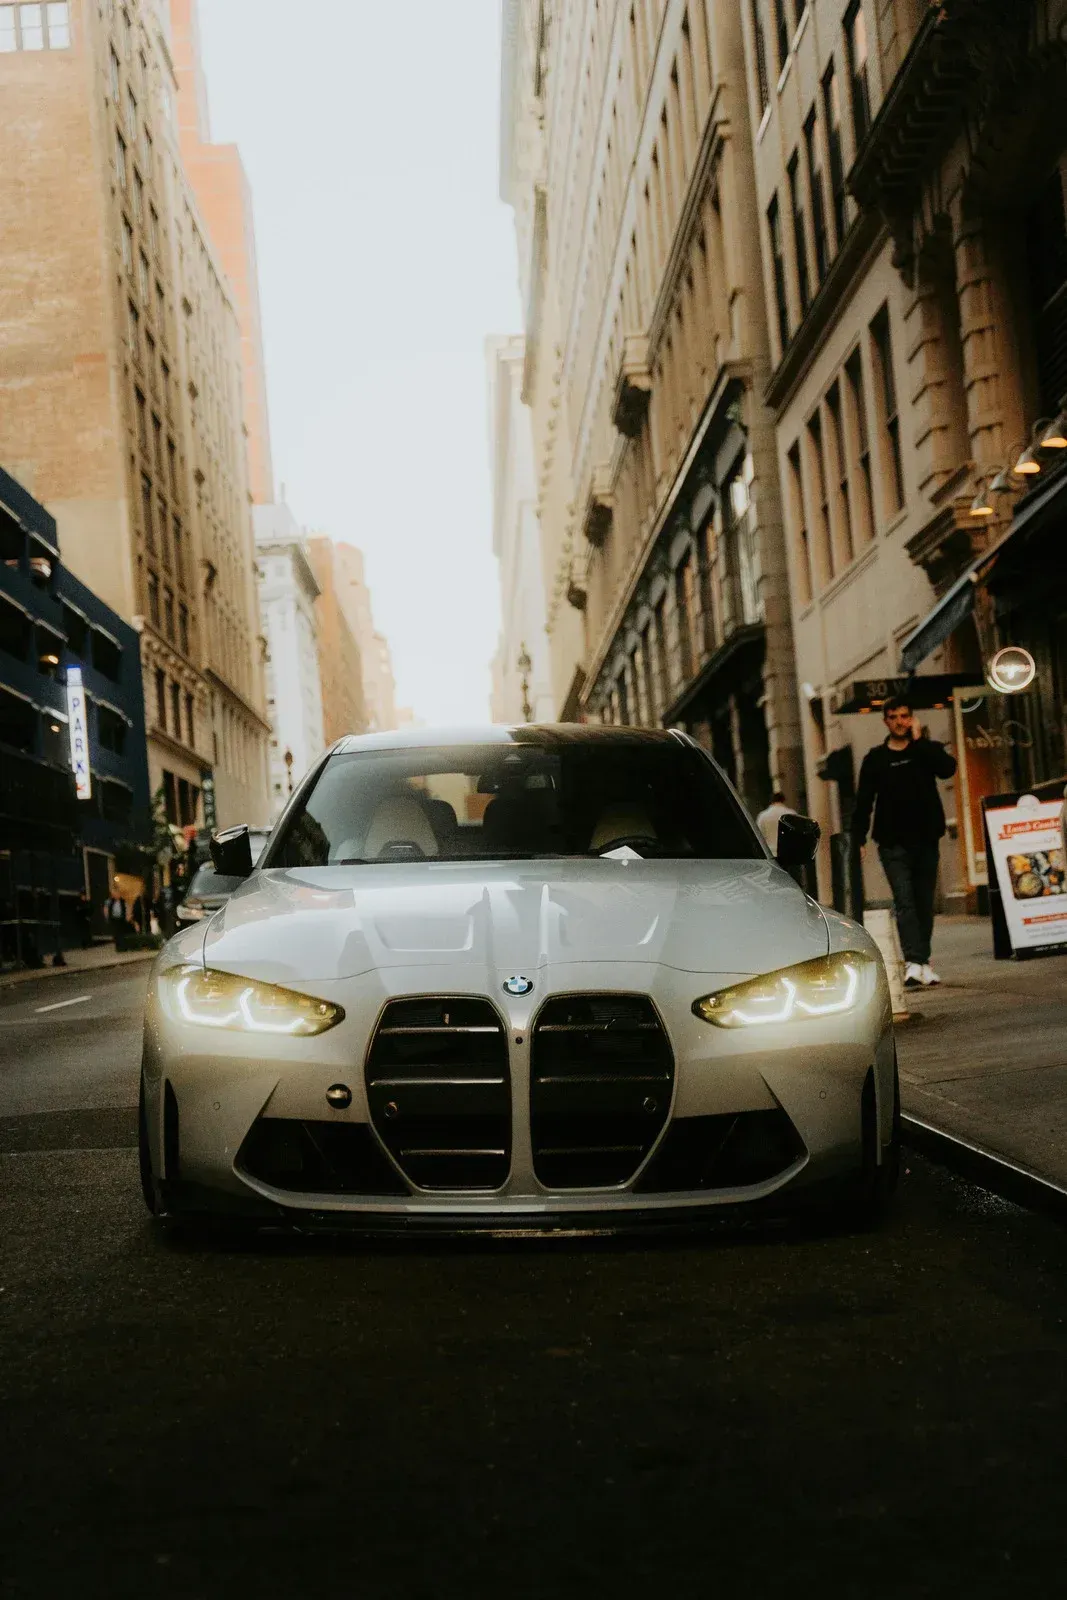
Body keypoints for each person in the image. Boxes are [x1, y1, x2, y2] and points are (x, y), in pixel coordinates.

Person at [853, 695, 958, 989]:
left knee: (924, 902)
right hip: (892, 843)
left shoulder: (925, 751)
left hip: (926, 839)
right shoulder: (875, 759)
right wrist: (858, 839)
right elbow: (864, 802)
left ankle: (923, 962)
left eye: (905, 716)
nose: (900, 722)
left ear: (911, 718)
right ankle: (913, 960)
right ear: (885, 720)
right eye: (894, 717)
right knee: (905, 901)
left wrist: (920, 740)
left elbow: (947, 769)